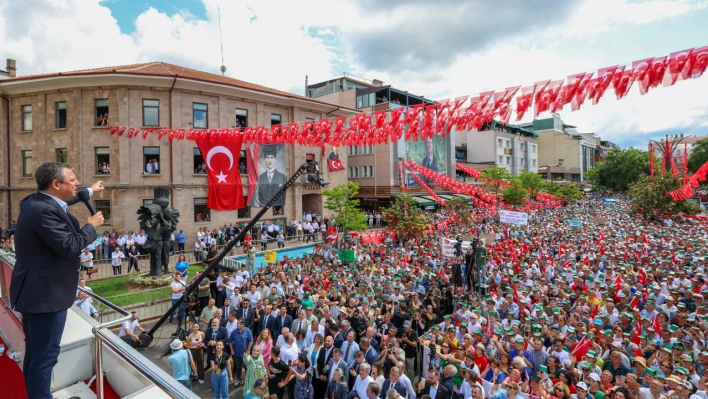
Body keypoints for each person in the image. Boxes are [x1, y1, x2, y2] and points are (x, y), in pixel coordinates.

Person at [10, 162, 104, 399]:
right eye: (72, 180)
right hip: (46, 296)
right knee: (45, 358)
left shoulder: (36, 202)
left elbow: (60, 205)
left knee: (35, 355)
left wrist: (90, 191)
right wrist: (90, 227)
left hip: (34, 291)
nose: (76, 183)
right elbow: (69, 246)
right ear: (56, 184)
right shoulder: (43, 211)